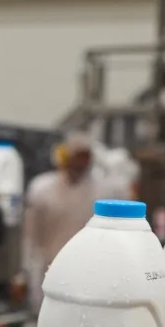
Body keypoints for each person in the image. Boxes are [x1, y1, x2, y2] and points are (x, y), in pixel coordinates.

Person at [15, 133, 100, 315]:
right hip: (46, 270)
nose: (83, 161)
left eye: (86, 155)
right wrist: (23, 275)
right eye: (79, 155)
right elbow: (30, 237)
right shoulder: (41, 189)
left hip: (86, 275)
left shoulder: (102, 192)